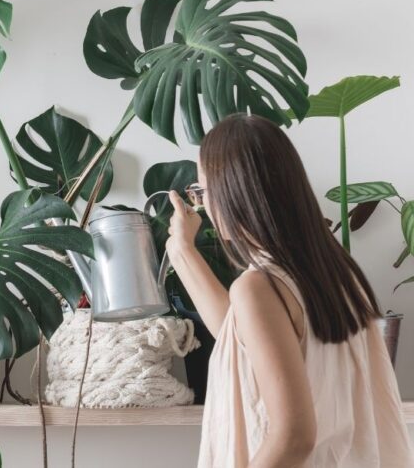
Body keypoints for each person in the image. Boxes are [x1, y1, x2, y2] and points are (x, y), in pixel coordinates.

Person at [166, 114, 413, 467]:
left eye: (202, 191)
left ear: (230, 189)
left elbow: (294, 436)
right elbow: (241, 343)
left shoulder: (260, 287)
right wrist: (183, 252)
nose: (201, 203)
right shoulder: (335, 272)